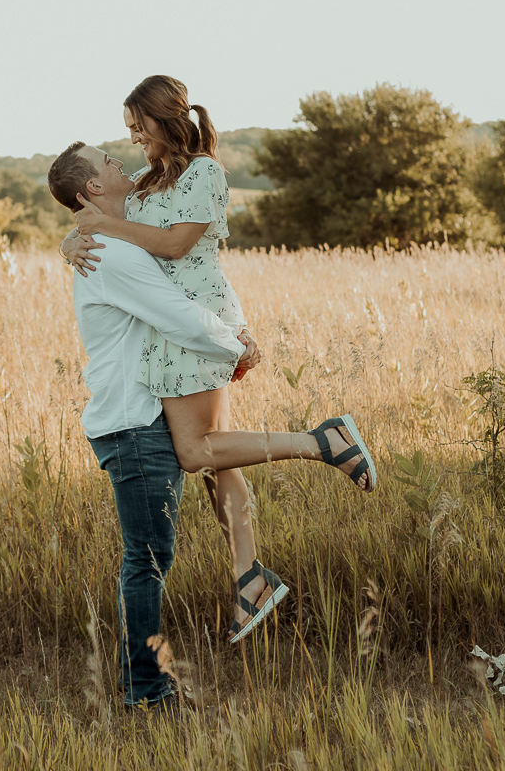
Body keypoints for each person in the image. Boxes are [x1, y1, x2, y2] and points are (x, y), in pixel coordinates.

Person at [51, 85, 379, 646]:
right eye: (119, 143)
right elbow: (104, 222)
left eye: (135, 126)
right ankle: (249, 577)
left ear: (160, 120)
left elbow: (184, 250)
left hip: (195, 328)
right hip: (184, 330)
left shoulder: (203, 173)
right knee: (219, 457)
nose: (127, 142)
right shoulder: (144, 188)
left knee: (196, 451)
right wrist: (72, 238)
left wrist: (232, 333)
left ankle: (322, 443)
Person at [48, 142, 250, 709]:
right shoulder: (110, 251)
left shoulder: (110, 231)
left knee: (149, 555)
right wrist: (240, 342)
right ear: (92, 190)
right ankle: (146, 689)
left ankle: (143, 682)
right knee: (148, 558)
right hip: (133, 424)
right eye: (109, 162)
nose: (122, 164)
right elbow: (178, 315)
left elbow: (160, 194)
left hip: (140, 417)